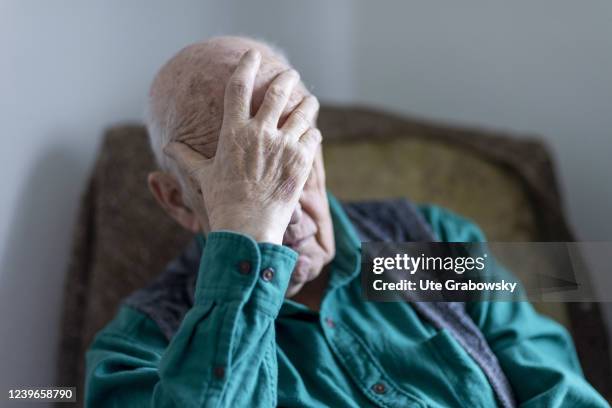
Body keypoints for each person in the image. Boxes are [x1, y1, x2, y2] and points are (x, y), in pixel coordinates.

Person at [84, 36, 608, 407]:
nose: (281, 205)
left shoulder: (428, 242)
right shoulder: (140, 348)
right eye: (234, 179)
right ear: (175, 200)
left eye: (288, 156)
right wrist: (246, 235)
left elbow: (553, 382)